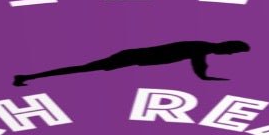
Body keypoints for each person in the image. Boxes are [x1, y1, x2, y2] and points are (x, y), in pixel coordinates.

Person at [13, 40, 250, 87]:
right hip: (134, 57)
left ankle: (28, 77)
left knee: (85, 68)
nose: (230, 56)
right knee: (84, 68)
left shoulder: (202, 47)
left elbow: (200, 68)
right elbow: (200, 71)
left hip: (136, 58)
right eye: (232, 52)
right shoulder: (200, 48)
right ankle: (28, 76)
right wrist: (213, 80)